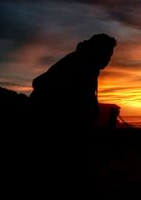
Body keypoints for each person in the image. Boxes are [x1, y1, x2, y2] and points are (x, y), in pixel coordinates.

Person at [29, 33, 117, 195]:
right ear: (97, 50)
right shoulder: (78, 63)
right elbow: (42, 84)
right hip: (54, 130)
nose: (108, 59)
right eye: (106, 54)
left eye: (110, 55)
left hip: (65, 130)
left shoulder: (87, 63)